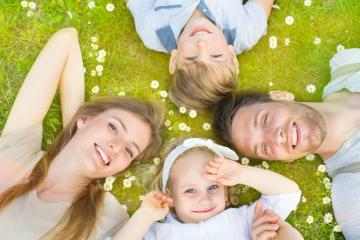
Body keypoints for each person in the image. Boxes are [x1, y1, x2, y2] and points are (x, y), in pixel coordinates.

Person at [0, 28, 164, 240]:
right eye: (113, 127)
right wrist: (80, 133)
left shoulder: (105, 218)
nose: (116, 145)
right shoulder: (20, 150)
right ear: (84, 119)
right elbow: (65, 40)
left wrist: (90, 136)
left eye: (129, 150)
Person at [212, 49, 360, 239]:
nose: (276, 137)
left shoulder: (347, 63)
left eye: (265, 120)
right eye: (264, 148)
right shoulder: (351, 193)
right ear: (285, 160)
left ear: (281, 96)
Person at [111, 138, 303, 240]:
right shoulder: (159, 233)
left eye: (213, 186)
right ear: (170, 195)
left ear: (226, 193)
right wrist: (144, 216)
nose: (204, 199)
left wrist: (242, 173)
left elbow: (287, 194)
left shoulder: (244, 219)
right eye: (190, 191)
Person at [125, 0, 274, 109]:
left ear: (174, 59)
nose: (202, 44)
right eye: (216, 55)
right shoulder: (245, 31)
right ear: (232, 56)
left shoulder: (152, 30)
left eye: (191, 58)